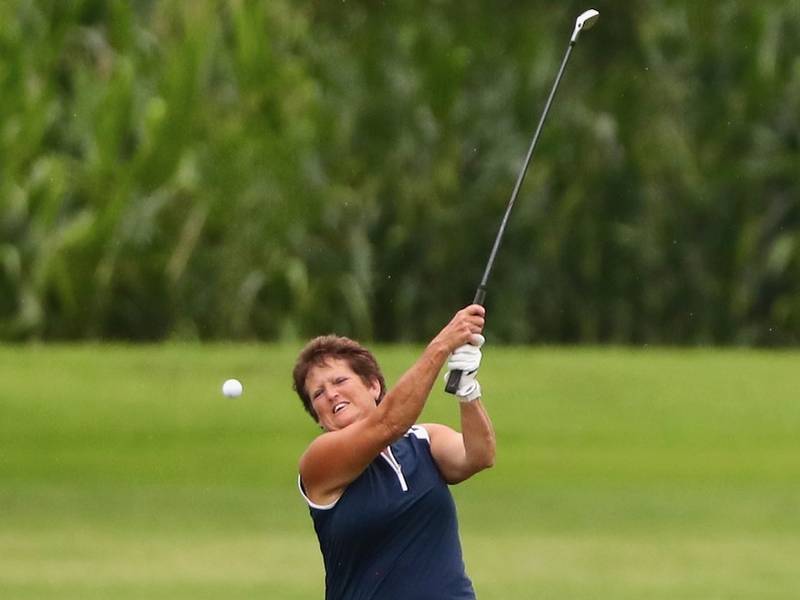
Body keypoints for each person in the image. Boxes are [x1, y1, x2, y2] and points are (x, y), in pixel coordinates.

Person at [292, 304, 496, 600]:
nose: (331, 394)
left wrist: (467, 389)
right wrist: (443, 345)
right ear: (319, 418)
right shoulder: (319, 463)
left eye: (339, 381)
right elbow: (388, 423)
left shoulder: (425, 440)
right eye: (318, 394)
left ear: (373, 385)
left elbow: (479, 455)